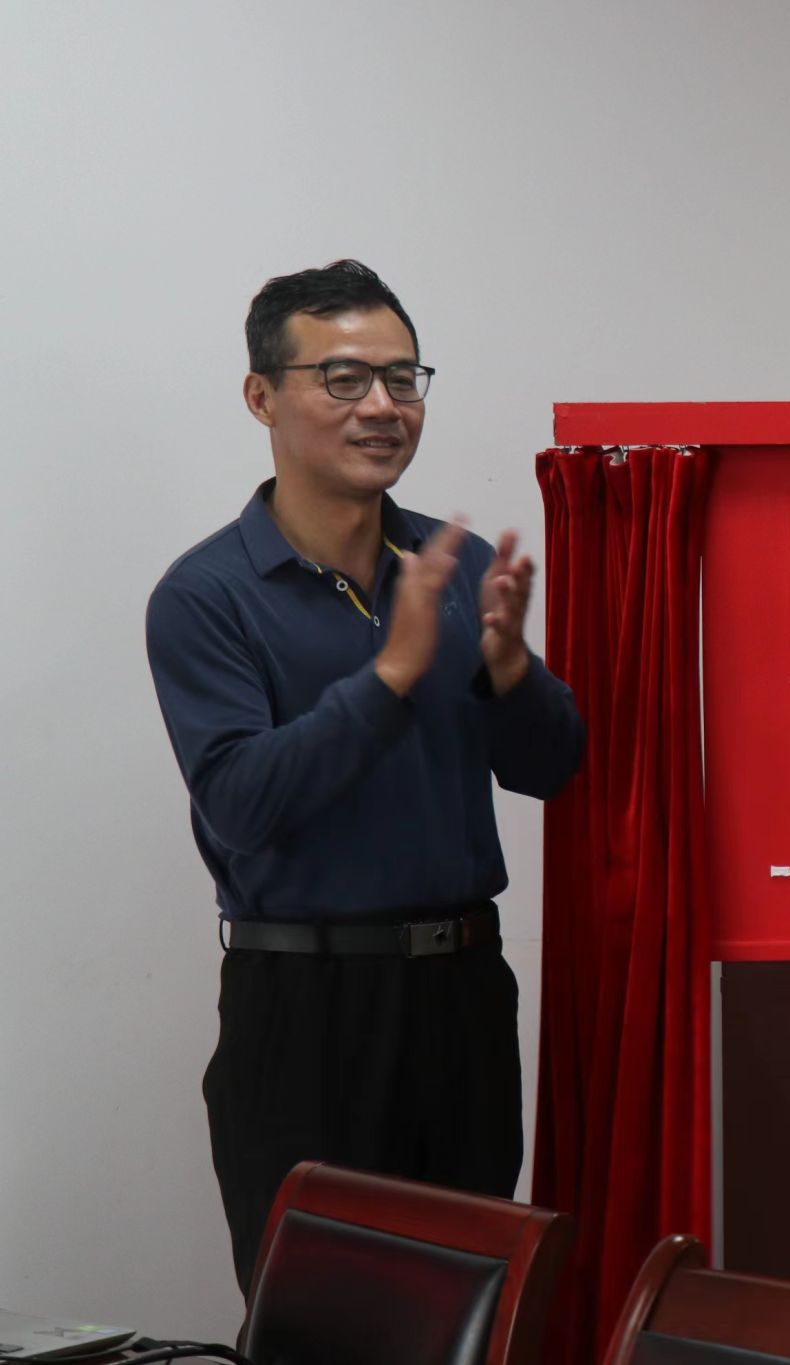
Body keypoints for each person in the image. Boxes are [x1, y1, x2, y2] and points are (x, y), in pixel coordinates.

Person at [145, 259, 586, 1294]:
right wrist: (390, 675)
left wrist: (510, 670)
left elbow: (551, 766)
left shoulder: (452, 565)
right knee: (321, 1322)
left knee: (470, 1314)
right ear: (262, 396)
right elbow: (244, 801)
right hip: (305, 1009)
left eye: (401, 378)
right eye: (343, 379)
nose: (382, 406)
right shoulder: (207, 595)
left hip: (462, 999)